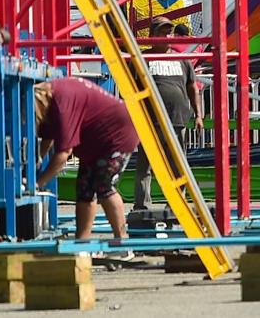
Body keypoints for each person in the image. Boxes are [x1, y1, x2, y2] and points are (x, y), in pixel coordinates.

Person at [35, 77, 140, 242]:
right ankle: (82, 242)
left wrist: (38, 183)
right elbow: (48, 138)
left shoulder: (62, 104)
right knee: (84, 190)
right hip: (95, 142)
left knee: (104, 185)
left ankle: (122, 241)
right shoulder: (54, 99)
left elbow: (63, 154)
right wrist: (37, 161)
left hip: (116, 135)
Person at [133, 19, 204, 210]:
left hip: (177, 119)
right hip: (150, 121)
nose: (167, 36)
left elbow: (192, 87)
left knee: (178, 165)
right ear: (152, 36)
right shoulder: (142, 58)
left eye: (169, 33)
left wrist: (198, 115)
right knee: (145, 165)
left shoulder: (181, 58)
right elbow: (130, 88)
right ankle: (142, 205)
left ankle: (176, 205)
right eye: (162, 33)